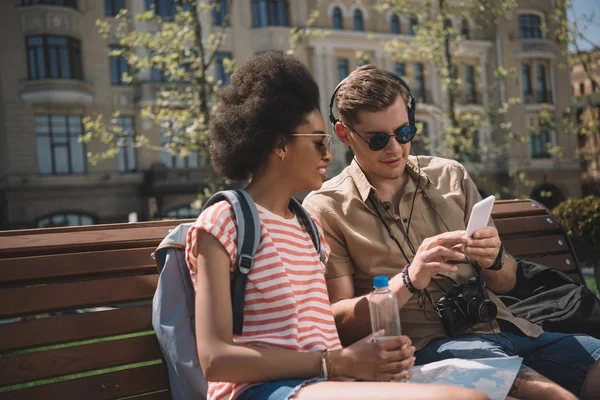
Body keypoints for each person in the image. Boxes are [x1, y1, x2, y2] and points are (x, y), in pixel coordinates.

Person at [186, 52, 488, 400]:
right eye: (318, 142)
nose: (329, 154)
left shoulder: (308, 226)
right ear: (279, 145)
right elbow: (215, 360)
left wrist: (374, 358)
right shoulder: (225, 220)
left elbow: (323, 336)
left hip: (329, 384)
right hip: (264, 391)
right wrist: (337, 363)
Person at [303, 65, 600, 400]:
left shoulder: (450, 176)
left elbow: (505, 282)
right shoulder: (327, 208)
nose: (395, 149)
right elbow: (338, 321)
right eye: (378, 139)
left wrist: (495, 258)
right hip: (426, 351)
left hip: (507, 329)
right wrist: (409, 279)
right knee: (554, 397)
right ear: (344, 134)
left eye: (404, 132)